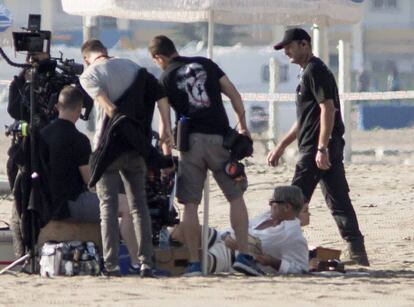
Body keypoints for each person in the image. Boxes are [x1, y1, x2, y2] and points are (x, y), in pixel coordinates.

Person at [148, 35, 262, 276]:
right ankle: (243, 255)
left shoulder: (164, 78)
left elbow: (165, 127)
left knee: (190, 205)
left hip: (190, 144)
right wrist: (243, 128)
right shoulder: (206, 63)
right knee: (235, 197)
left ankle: (193, 262)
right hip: (220, 139)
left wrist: (167, 157)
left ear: (158, 57)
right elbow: (234, 95)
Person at [267, 28, 369, 266]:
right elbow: (305, 119)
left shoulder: (315, 70)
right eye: (285, 48)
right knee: (339, 201)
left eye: (290, 46)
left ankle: (280, 250)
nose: (287, 52)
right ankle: (357, 252)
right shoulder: (306, 73)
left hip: (317, 148)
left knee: (289, 201)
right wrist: (281, 146)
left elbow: (327, 108)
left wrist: (322, 147)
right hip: (320, 147)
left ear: (304, 44)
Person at [80, 39, 173, 277]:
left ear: (86, 58)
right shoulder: (132, 66)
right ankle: (146, 263)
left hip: (108, 148)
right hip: (136, 147)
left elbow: (109, 108)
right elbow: (160, 95)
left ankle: (110, 266)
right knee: (138, 206)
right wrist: (166, 127)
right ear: (106, 51)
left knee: (108, 207)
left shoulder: (89, 74)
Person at [39, 85, 141, 274]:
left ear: (57, 107)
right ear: (79, 110)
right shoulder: (78, 139)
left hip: (44, 202)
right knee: (126, 205)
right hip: (68, 204)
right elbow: (90, 181)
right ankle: (136, 262)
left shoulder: (42, 134)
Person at [171, 185, 309, 275]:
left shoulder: (293, 235)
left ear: (287, 207)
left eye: (273, 203)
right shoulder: (267, 216)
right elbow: (236, 228)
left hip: (234, 258)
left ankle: (163, 261)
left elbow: (301, 270)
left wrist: (272, 261)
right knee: (181, 230)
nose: (270, 205)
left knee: (191, 260)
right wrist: (226, 236)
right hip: (222, 237)